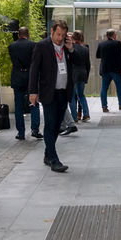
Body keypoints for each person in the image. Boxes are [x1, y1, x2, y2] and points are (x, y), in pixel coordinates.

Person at [28, 19, 73, 172]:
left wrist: (71, 49)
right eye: (58, 34)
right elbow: (34, 70)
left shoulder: (67, 47)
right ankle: (54, 160)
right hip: (49, 92)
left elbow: (80, 61)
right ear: (52, 31)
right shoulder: (42, 46)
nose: (60, 38)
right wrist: (33, 91)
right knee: (50, 124)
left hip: (63, 92)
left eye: (63, 35)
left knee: (57, 125)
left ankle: (48, 155)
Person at [8, 26, 41, 140]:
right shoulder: (34, 45)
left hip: (17, 76)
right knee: (34, 103)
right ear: (28, 34)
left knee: (18, 106)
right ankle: (35, 129)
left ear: (18, 35)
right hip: (30, 77)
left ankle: (21, 132)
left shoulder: (12, 46)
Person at [96, 28, 121, 113]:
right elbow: (120, 56)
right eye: (115, 34)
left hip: (105, 69)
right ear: (113, 35)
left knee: (104, 88)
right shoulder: (117, 43)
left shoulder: (101, 44)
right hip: (116, 69)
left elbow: (98, 55)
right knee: (119, 87)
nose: (116, 35)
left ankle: (104, 107)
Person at [69, 30, 91, 123]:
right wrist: (87, 76)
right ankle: (86, 114)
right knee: (81, 95)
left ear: (73, 38)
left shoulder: (71, 48)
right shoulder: (85, 49)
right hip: (83, 73)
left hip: (73, 73)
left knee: (71, 96)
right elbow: (88, 64)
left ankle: (74, 117)